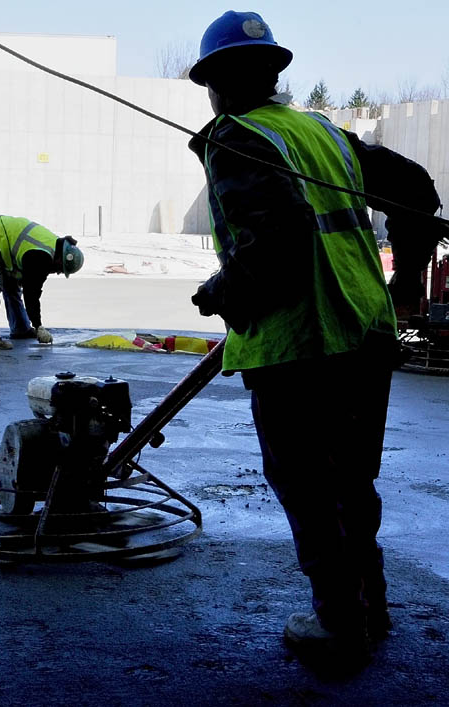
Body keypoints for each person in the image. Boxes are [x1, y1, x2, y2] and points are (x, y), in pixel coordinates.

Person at [187, 10, 445, 664]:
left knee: (307, 484)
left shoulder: (235, 137)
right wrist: (407, 282)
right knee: (353, 481)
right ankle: (371, 607)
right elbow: (417, 190)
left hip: (302, 348)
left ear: (213, 83)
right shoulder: (322, 132)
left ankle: (339, 622)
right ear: (275, 73)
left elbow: (277, 244)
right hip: (365, 336)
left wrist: (220, 293)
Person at [0, 215, 84, 350]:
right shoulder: (42, 257)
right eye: (60, 268)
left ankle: (21, 329)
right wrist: (38, 325)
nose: (57, 272)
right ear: (60, 259)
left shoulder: (53, 246)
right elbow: (31, 294)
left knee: (11, 285)